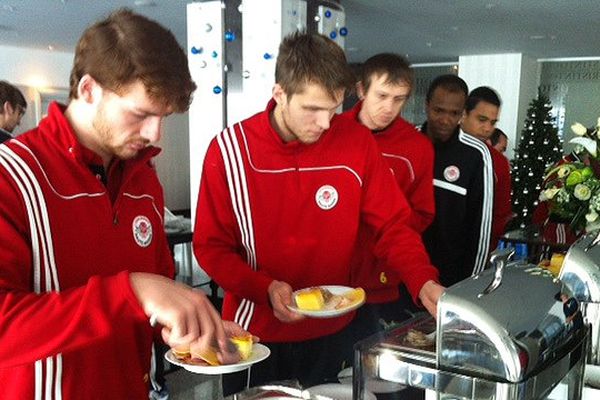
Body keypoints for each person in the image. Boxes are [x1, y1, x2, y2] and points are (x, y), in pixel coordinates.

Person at [0, 9, 245, 400]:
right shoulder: (11, 176)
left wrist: (183, 332)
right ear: (88, 90)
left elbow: (151, 298)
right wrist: (131, 291)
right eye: (140, 114)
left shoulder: (142, 179)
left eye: (163, 116)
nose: (155, 133)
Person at [193, 32, 444, 396]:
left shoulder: (357, 143)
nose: (325, 123)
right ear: (280, 94)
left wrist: (422, 280)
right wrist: (264, 288)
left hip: (336, 331)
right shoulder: (230, 151)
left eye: (334, 108)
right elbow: (211, 247)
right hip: (257, 334)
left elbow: (393, 225)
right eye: (312, 109)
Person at [338, 53, 435, 338]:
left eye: (398, 99)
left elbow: (421, 214)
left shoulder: (417, 147)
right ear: (361, 90)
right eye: (381, 95)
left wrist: (380, 235)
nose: (388, 107)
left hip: (382, 278)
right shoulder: (332, 130)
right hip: (332, 280)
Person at [420, 75, 494, 287]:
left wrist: (471, 286)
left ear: (463, 113)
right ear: (427, 106)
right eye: (438, 110)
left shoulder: (476, 154)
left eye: (454, 113)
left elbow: (481, 229)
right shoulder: (409, 142)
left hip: (450, 279)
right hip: (405, 271)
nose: (445, 120)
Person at [461, 87, 512, 249]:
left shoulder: (498, 162)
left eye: (492, 122)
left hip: (475, 250)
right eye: (481, 120)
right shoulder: (441, 149)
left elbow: (501, 213)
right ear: (464, 114)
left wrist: (487, 248)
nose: (488, 128)